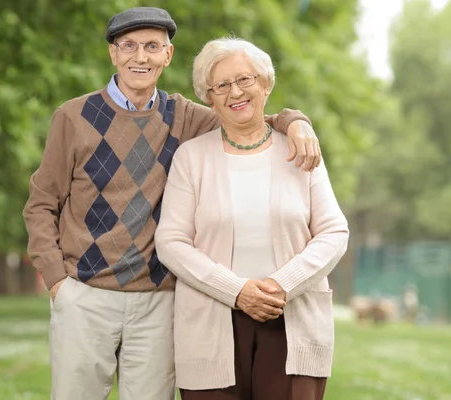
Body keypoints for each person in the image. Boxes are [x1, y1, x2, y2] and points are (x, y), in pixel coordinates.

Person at [23, 7, 322, 400]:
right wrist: (56, 279)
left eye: (152, 46)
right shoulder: (73, 117)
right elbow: (42, 202)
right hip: (85, 294)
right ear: (113, 54)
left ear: (169, 55)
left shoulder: (185, 117)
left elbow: (248, 116)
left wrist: (296, 121)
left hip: (158, 300)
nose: (140, 57)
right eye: (129, 46)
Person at [155, 37, 349, 400]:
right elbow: (171, 243)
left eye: (245, 80)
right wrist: (237, 291)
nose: (235, 92)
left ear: (265, 84)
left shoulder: (300, 149)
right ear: (208, 98)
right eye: (221, 86)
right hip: (211, 323)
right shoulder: (191, 158)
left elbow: (334, 231)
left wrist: (282, 285)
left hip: (293, 320)